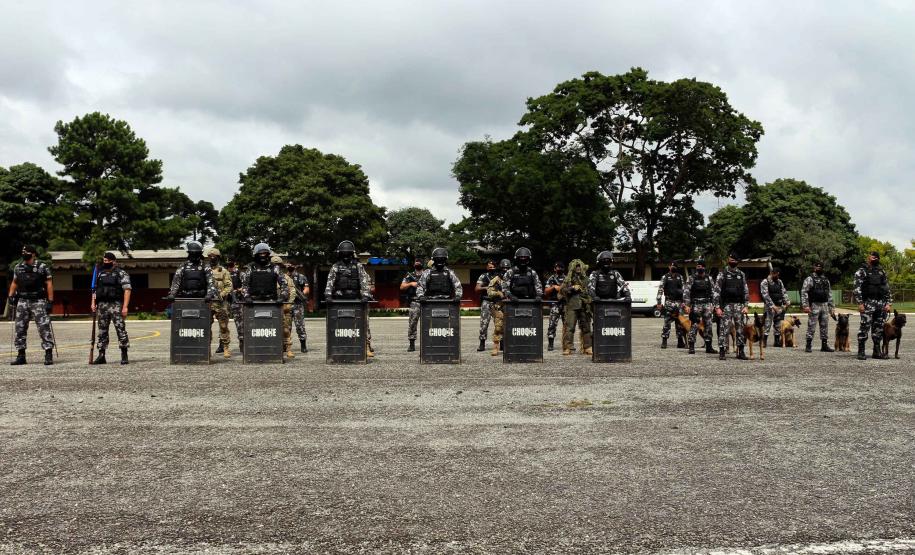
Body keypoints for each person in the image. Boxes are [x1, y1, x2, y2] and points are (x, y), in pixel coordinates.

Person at [324, 240, 374, 357]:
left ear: (352, 254)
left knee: (364, 323)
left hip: (356, 299)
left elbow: (364, 281)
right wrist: (328, 295)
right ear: (340, 254)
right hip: (340, 299)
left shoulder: (358, 266)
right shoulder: (336, 266)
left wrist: (365, 295)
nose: (346, 256)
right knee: (339, 324)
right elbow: (330, 281)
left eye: (348, 253)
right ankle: (340, 345)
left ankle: (366, 346)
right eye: (343, 253)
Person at [8, 245, 55, 365]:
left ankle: (48, 354)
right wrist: (10, 296)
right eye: (23, 252)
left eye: (27, 252)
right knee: (20, 328)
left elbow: (49, 283)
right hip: (22, 301)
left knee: (44, 327)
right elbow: (14, 282)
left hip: (38, 301)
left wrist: (50, 301)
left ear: (33, 254)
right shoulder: (18, 267)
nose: (24, 254)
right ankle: (21, 355)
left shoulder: (42, 267)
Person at [91, 251, 132, 365]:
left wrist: (125, 307)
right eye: (104, 260)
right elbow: (95, 289)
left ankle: (124, 354)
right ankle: (101, 355)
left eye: (107, 261)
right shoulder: (100, 273)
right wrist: (93, 303)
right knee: (102, 331)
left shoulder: (121, 273)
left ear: (114, 261)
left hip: (116, 305)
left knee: (120, 329)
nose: (105, 262)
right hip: (102, 305)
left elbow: (127, 290)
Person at [853, 251, 893, 360]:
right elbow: (857, 288)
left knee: (878, 328)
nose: (874, 258)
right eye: (872, 256)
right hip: (867, 303)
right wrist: (860, 303)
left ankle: (877, 351)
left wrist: (888, 303)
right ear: (868, 258)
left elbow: (886, 288)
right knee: (864, 327)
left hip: (880, 304)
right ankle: (861, 351)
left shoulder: (881, 271)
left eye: (876, 257)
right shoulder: (861, 271)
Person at [713, 253, 749, 361]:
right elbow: (716, 291)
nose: (732, 261)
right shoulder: (722, 273)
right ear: (728, 260)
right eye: (731, 259)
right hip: (726, 305)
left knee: (740, 329)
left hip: (739, 306)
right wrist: (717, 307)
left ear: (737, 261)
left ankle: (741, 351)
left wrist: (746, 305)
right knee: (724, 329)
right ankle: (722, 351)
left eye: (734, 260)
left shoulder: (741, 274)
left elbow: (745, 290)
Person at [800, 262, 835, 353]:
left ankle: (824, 345)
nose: (818, 268)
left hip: (824, 305)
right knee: (811, 325)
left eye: (820, 267)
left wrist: (832, 307)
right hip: (814, 305)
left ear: (823, 268)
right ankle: (808, 345)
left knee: (824, 325)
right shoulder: (810, 279)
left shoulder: (825, 279)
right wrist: (805, 305)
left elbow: (829, 294)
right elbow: (804, 292)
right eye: (817, 267)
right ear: (814, 268)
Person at [559, 259, 592, 356]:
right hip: (572, 305)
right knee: (569, 327)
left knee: (586, 327)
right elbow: (562, 291)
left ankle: (587, 347)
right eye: (576, 267)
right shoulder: (568, 279)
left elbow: (591, 290)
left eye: (579, 266)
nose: (578, 268)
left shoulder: (586, 279)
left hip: (584, 305)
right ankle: (568, 347)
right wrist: (572, 288)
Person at [683, 258, 715, 354]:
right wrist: (687, 305)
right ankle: (691, 346)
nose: (698, 268)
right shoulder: (691, 278)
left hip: (707, 304)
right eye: (697, 266)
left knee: (708, 325)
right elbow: (686, 291)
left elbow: (713, 292)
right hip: (696, 304)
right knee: (694, 325)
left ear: (704, 267)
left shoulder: (709, 278)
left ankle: (709, 347)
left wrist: (713, 304)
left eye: (700, 266)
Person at [206, 247, 234, 358]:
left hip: (221, 303)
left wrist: (222, 294)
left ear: (218, 258)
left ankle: (226, 347)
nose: (212, 258)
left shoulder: (223, 271)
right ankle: (206, 348)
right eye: (210, 257)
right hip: (208, 303)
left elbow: (229, 286)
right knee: (205, 326)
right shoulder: (205, 270)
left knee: (223, 326)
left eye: (214, 257)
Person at [656, 260, 686, 349]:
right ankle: (664, 340)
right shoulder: (665, 277)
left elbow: (684, 290)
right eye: (671, 266)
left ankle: (680, 341)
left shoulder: (680, 277)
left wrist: (685, 303)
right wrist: (659, 302)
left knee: (680, 322)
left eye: (674, 266)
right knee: (667, 322)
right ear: (669, 267)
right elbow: (660, 289)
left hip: (679, 302)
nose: (672, 268)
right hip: (669, 301)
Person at [273, 255, 298, 359]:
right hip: (271, 307)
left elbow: (292, 292)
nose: (276, 267)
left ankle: (288, 349)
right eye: (274, 265)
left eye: (278, 265)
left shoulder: (286, 278)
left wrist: (288, 304)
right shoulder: (267, 277)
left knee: (286, 329)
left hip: (284, 306)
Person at [485, 259, 512, 356]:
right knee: (498, 328)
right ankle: (495, 348)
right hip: (499, 306)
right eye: (503, 268)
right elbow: (489, 292)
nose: (505, 270)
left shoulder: (514, 277)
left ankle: (512, 347)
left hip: (512, 306)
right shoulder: (496, 279)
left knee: (513, 327)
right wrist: (498, 293)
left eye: (507, 268)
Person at [761, 267, 790, 348]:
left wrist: (787, 301)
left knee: (778, 324)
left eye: (778, 275)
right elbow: (765, 295)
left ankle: (776, 341)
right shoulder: (765, 282)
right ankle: (764, 341)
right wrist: (772, 305)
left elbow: (783, 292)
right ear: (772, 273)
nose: (777, 276)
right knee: (767, 324)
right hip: (769, 307)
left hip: (779, 305)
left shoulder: (779, 282)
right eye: (776, 275)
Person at [401, 258, 424, 352]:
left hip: (426, 302)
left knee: (430, 323)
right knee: (412, 323)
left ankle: (430, 342)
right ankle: (411, 344)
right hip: (415, 302)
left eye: (419, 262)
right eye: (416, 263)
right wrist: (411, 284)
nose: (417, 264)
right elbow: (402, 287)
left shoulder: (427, 274)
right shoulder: (410, 275)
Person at [474, 260, 497, 352]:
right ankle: (482, 343)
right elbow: (477, 288)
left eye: (493, 267)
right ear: (487, 267)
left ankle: (502, 343)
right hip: (486, 301)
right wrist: (486, 287)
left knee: (499, 323)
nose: (491, 268)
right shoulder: (483, 276)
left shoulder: (499, 276)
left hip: (497, 302)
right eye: (489, 267)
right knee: (484, 324)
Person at [544, 261, 566, 351]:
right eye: (558, 267)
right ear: (554, 269)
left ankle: (567, 344)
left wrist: (563, 288)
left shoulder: (567, 278)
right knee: (552, 324)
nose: (559, 269)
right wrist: (554, 287)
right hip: (555, 303)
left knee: (567, 325)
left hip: (565, 303)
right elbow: (546, 292)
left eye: (561, 267)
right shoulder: (551, 278)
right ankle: (550, 344)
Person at [289, 263, 310, 353]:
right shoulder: (283, 277)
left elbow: (306, 289)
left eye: (291, 265)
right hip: (286, 304)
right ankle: (285, 346)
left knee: (300, 326)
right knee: (286, 326)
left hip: (297, 304)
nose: (290, 266)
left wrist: (301, 294)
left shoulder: (301, 277)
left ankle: (303, 345)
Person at [226, 261, 244, 352]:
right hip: (225, 301)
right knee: (223, 323)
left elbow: (246, 286)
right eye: (228, 266)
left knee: (239, 322)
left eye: (231, 265)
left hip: (237, 301)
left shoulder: (240, 274)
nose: (230, 267)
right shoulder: (225, 273)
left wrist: (239, 290)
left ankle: (242, 341)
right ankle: (223, 345)